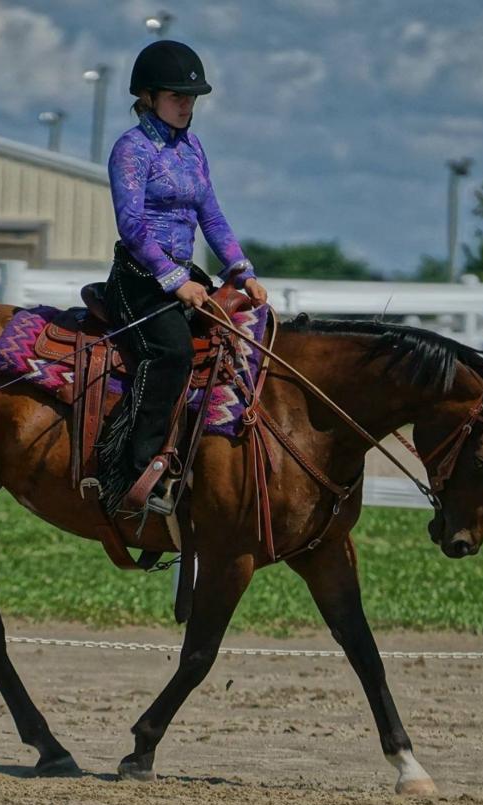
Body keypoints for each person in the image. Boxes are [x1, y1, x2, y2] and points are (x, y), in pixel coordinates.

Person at [97, 39, 268, 516]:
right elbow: (132, 226)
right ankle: (133, 473)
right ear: (148, 96)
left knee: (232, 342)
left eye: (191, 97)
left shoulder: (193, 148)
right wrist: (175, 281)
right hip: (138, 279)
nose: (186, 105)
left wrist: (242, 271)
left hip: (184, 276)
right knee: (171, 353)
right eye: (176, 96)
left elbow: (211, 216)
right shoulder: (132, 150)